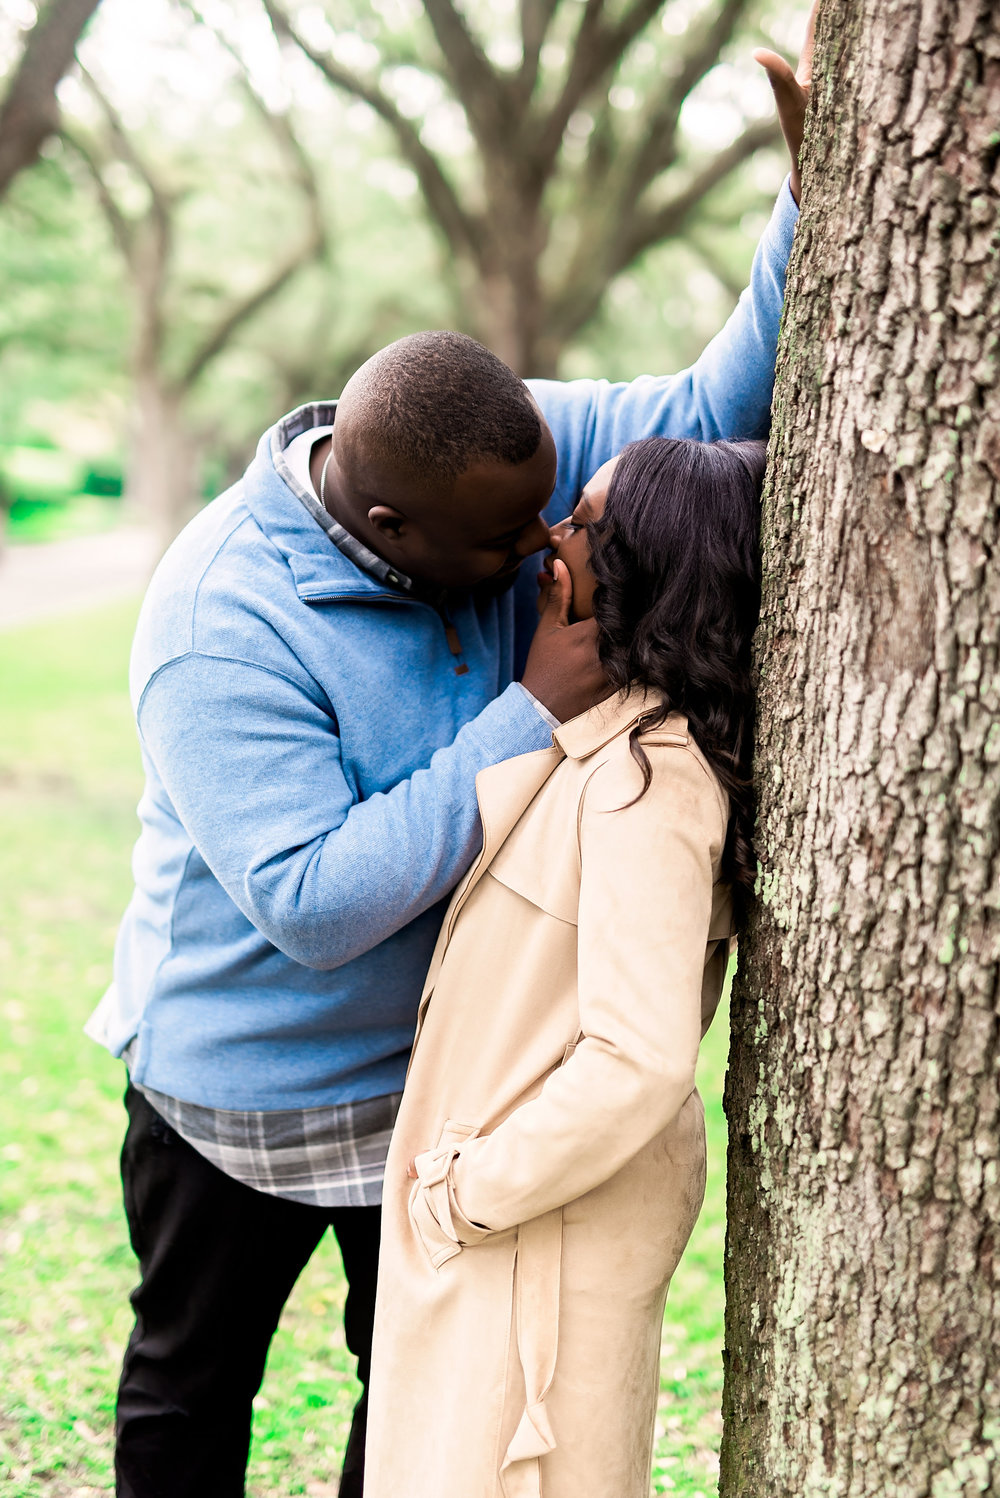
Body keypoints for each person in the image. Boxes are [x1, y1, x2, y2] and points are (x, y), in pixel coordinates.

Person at [85, 40, 811, 1494]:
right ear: (389, 526)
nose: (544, 552)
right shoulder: (220, 622)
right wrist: (529, 710)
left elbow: (714, 403)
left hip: (432, 1090)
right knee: (187, 1385)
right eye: (503, 546)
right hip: (235, 1087)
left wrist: (811, 201)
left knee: (411, 1383)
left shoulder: (499, 463)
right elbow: (310, 897)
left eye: (550, 516)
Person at [365, 434, 766, 1498]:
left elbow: (637, 1059)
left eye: (584, 522)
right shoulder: (600, 741)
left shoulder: (650, 782)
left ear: (648, 566)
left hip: (537, 1225)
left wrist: (467, 1192)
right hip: (510, 1221)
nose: (553, 536)